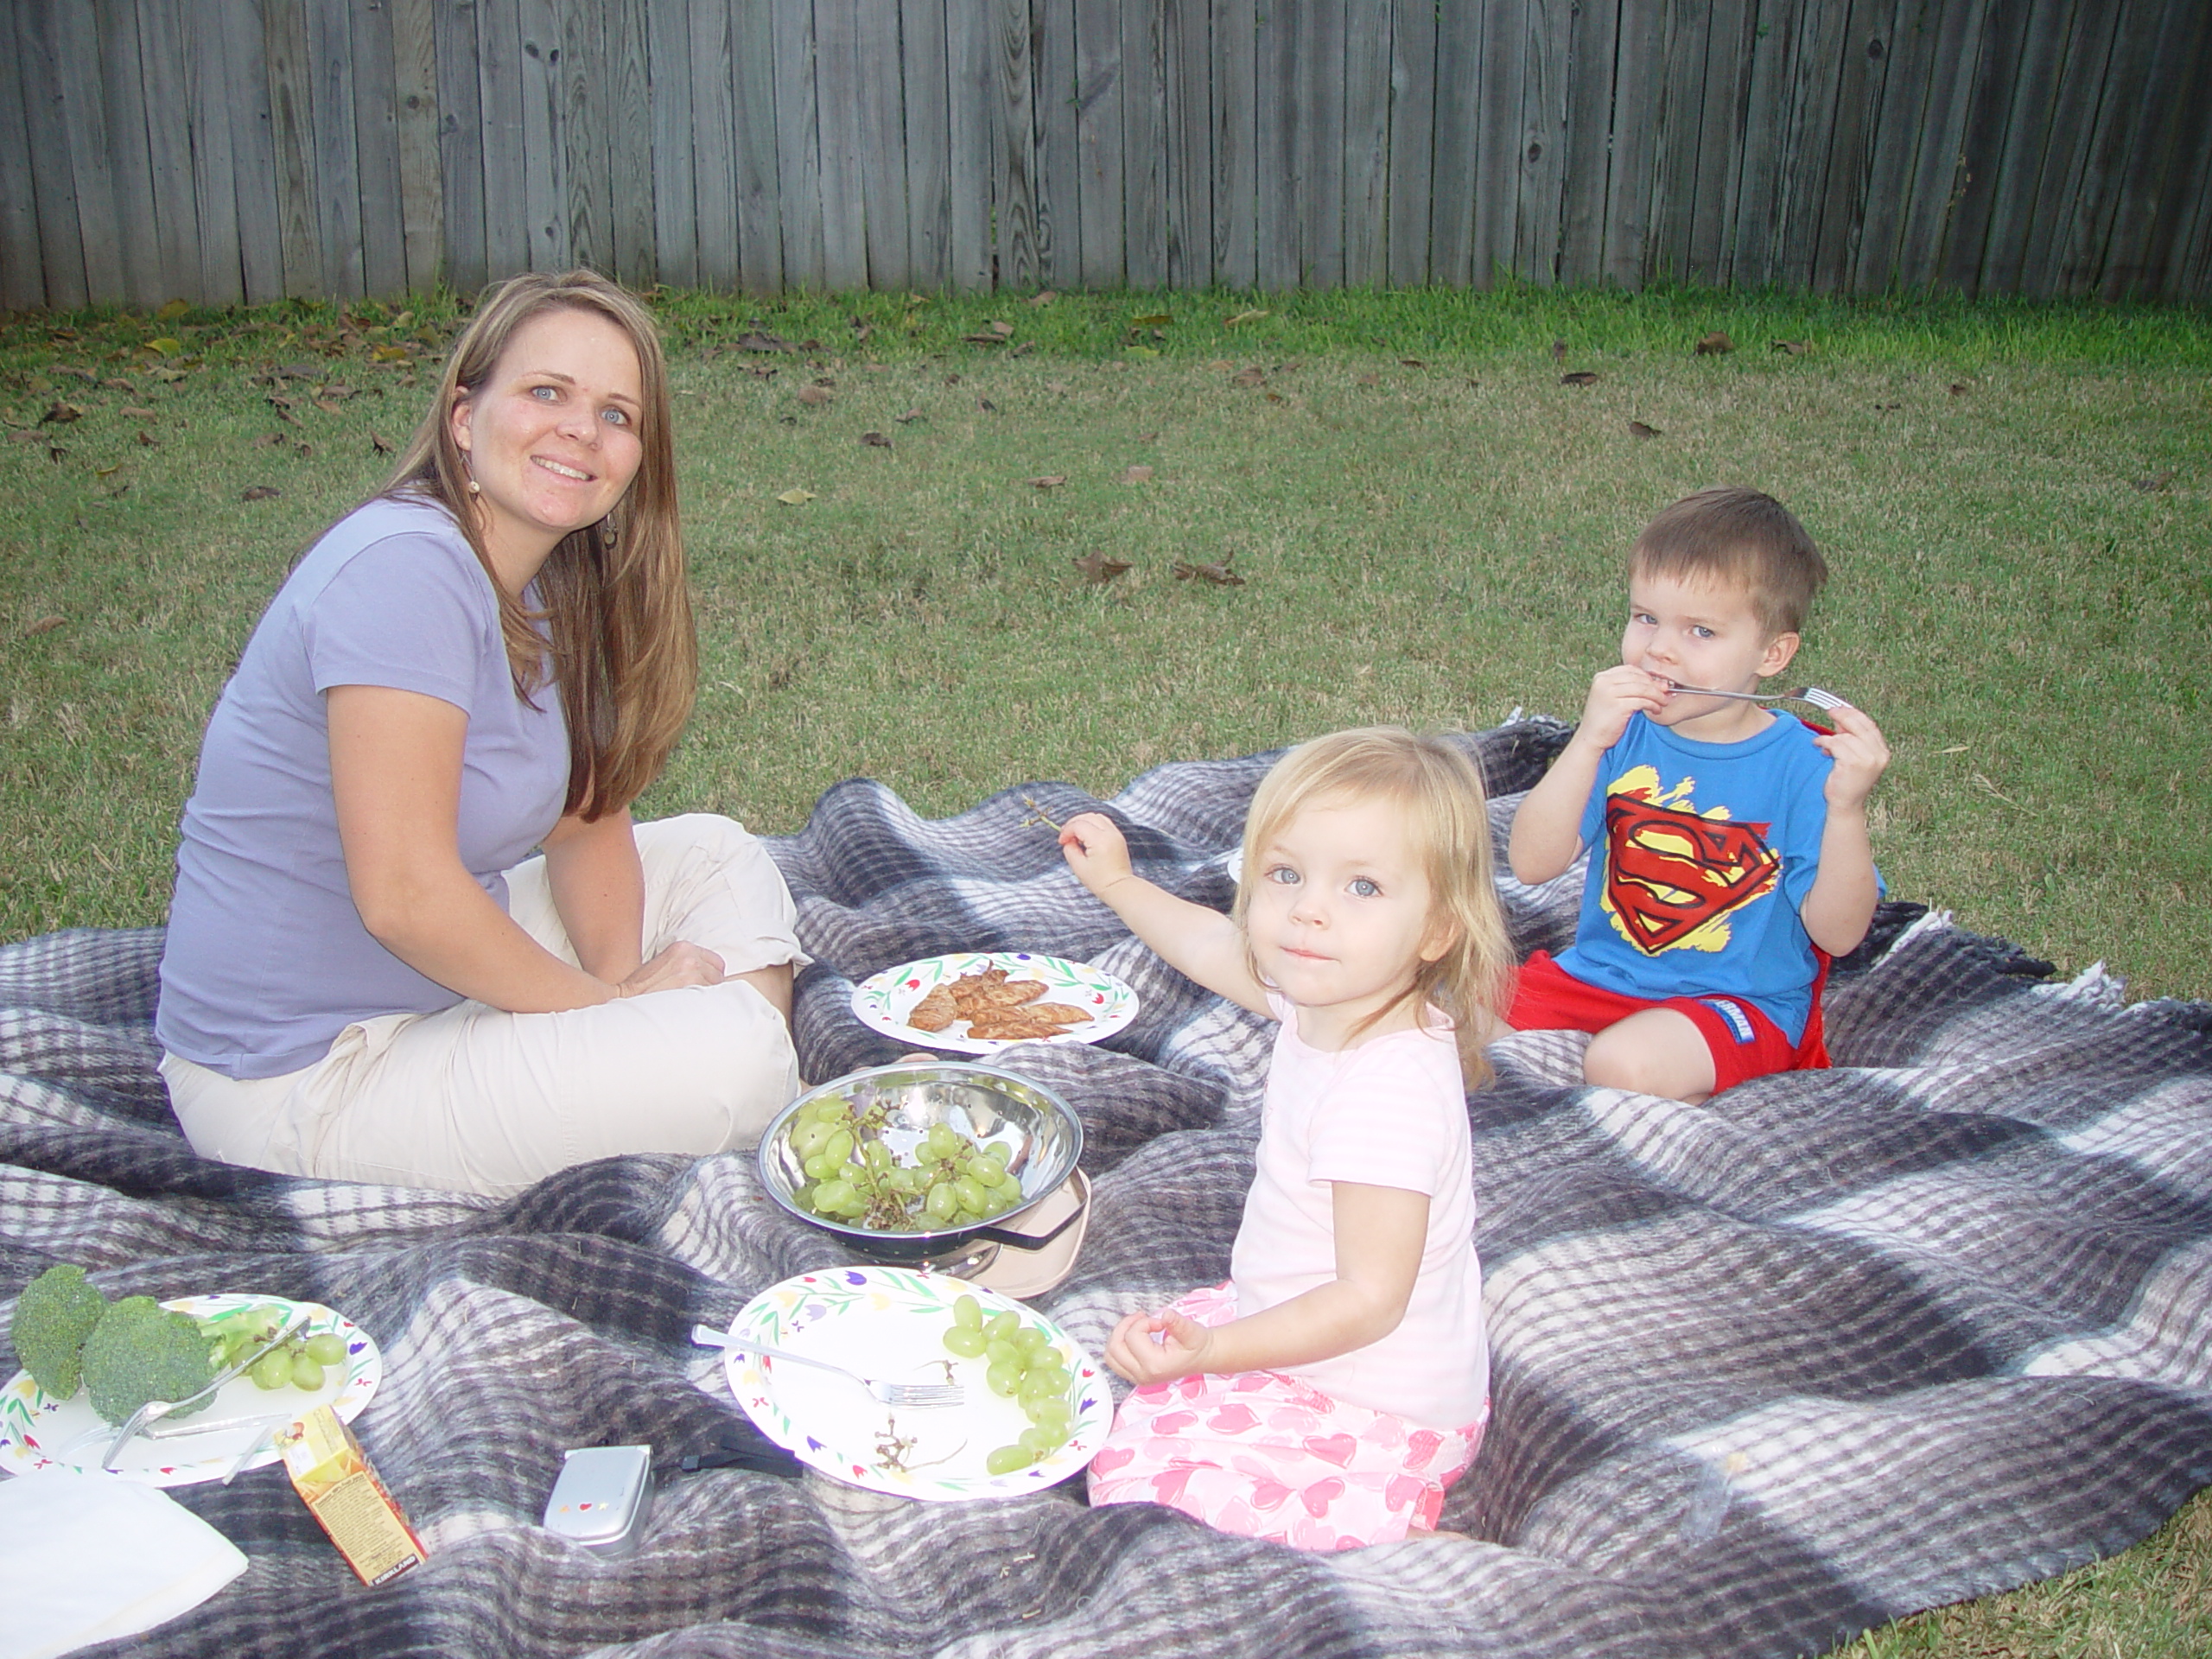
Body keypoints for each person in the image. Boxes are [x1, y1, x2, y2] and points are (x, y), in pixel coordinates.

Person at [155, 270, 808, 1198]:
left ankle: (690, 1086)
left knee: (714, 853)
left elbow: (585, 823)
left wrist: (626, 983)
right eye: (547, 393)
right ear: (464, 416)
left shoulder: (547, 583)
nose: (582, 429)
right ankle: (731, 1092)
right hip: (304, 1076)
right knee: (732, 1061)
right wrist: (615, 1012)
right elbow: (407, 898)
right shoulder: (405, 571)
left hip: (432, 993)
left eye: (617, 414)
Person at [1058, 728, 1511, 1550]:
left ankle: (1376, 1517)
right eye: (1286, 874)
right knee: (1128, 1402)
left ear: (1438, 930)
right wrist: (1120, 884)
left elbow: (1369, 1300)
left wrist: (1220, 1351)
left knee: (1144, 1488)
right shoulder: (1332, 991)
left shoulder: (1385, 1093)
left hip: (1374, 1397)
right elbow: (1208, 946)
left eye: (1363, 886)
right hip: (1308, 1328)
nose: (1310, 908)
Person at [1504, 486, 1890, 1104]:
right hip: (1602, 979)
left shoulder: (1806, 765)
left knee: (1625, 1064)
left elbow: (1840, 935)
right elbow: (1532, 861)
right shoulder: (1624, 731)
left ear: (1773, 654)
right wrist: (1587, 744)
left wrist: (1846, 810)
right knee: (1430, 996)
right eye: (1645, 617)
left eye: (1701, 632)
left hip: (1737, 1005)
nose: (1660, 647)